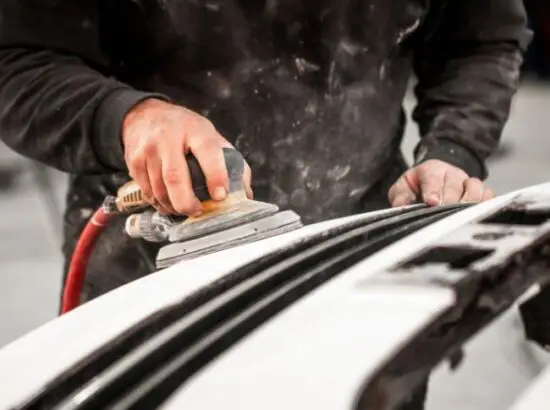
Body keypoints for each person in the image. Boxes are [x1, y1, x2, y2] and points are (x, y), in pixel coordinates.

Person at [0, 2, 531, 408]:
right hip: (148, 277)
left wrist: (452, 151)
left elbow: (480, 40)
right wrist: (127, 118)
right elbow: (17, 61)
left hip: (359, 263)